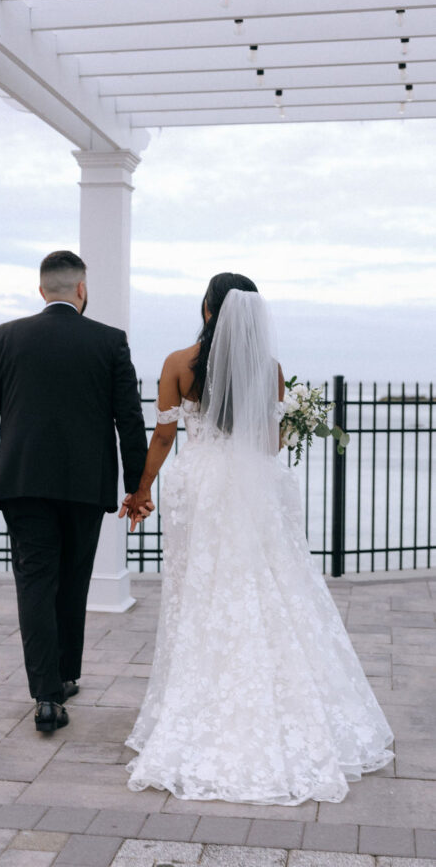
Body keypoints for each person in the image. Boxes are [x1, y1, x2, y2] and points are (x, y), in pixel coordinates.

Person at [121, 272, 394, 805]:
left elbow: (163, 434)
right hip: (252, 489)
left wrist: (140, 489)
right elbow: (267, 446)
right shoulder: (269, 370)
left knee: (199, 595)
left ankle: (197, 703)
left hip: (199, 487)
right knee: (268, 586)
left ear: (207, 308)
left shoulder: (179, 364)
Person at [0, 250, 148, 733]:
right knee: (73, 580)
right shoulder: (110, 342)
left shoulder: (4, 338)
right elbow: (128, 421)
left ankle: (49, 693)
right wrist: (138, 488)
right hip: (84, 485)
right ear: (81, 289)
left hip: (22, 483)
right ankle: (63, 677)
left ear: (41, 290)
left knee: (35, 582)